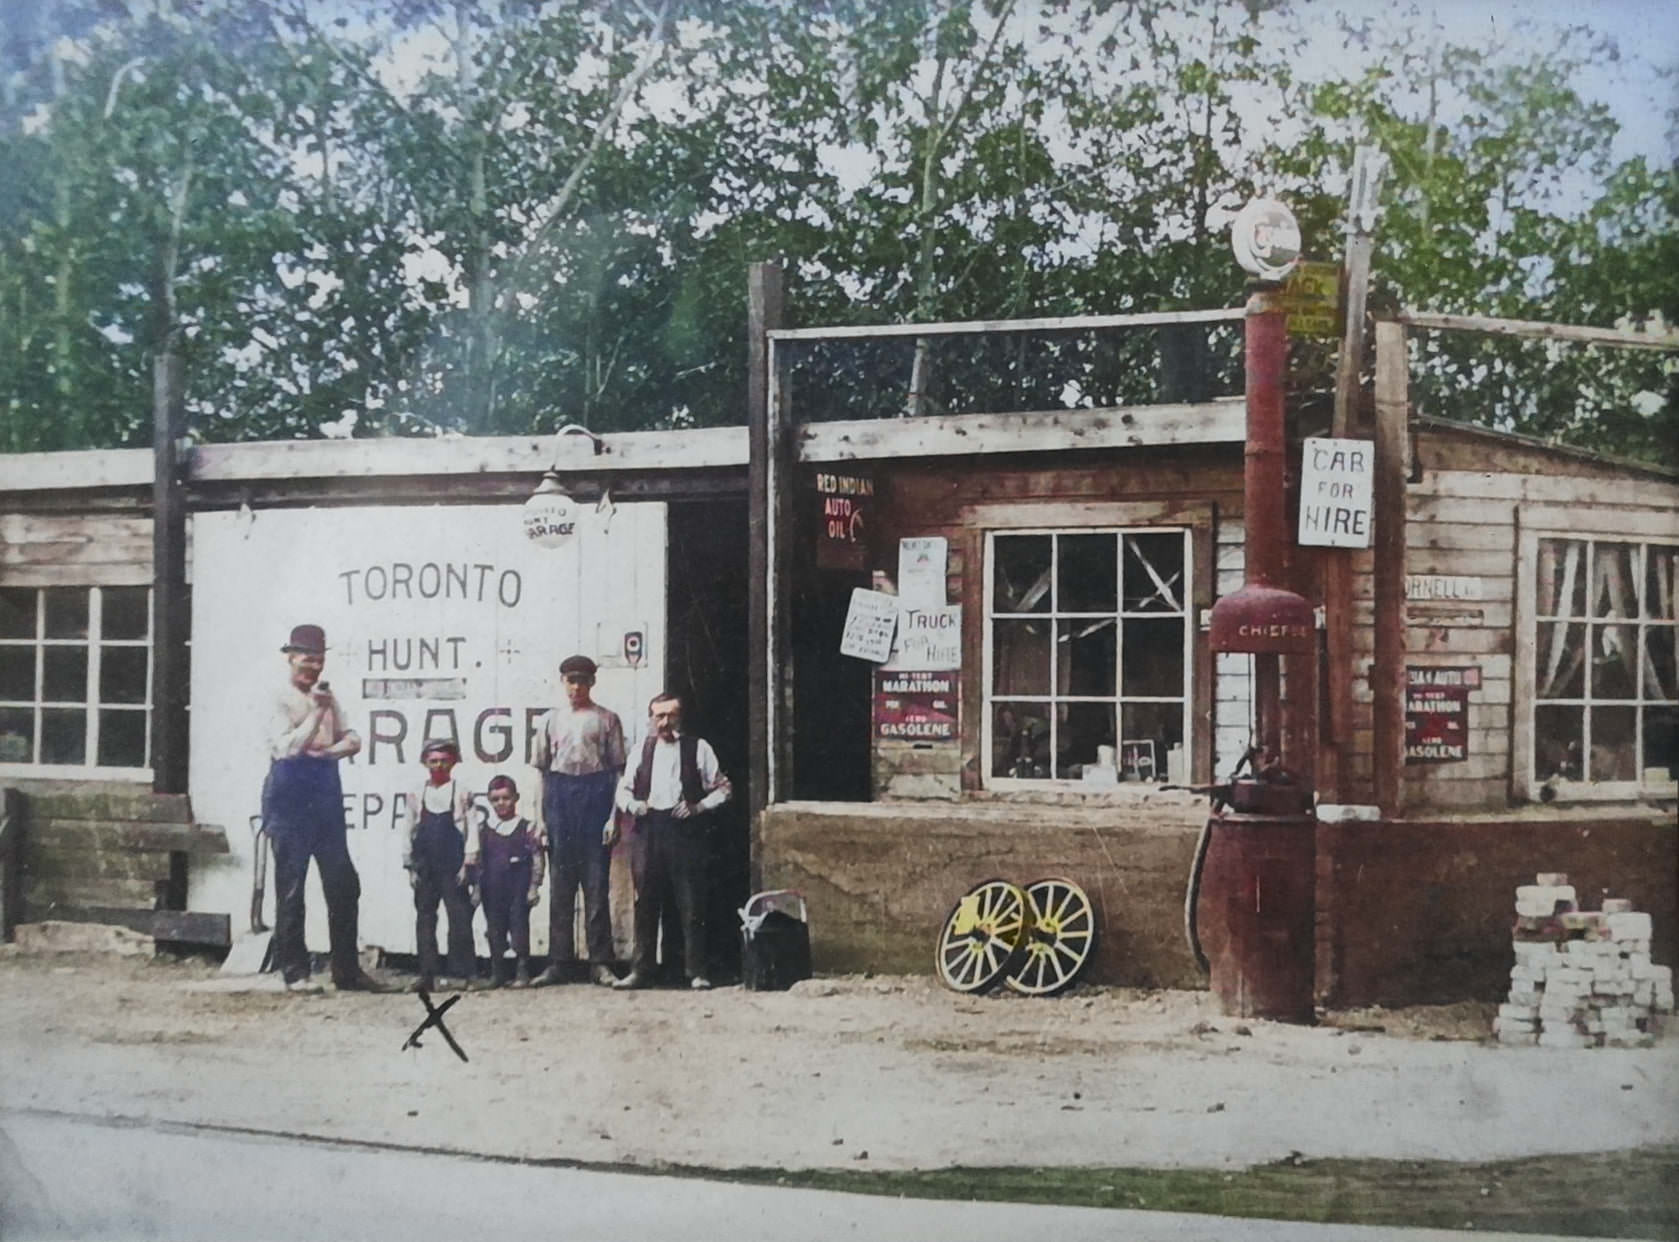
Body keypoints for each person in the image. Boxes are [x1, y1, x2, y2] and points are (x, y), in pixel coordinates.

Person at [262, 624, 385, 993]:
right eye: (306, 659)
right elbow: (286, 749)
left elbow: (353, 738)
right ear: (290, 657)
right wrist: (315, 715)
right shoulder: (278, 697)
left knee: (343, 882)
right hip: (289, 793)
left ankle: (346, 971)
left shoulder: (328, 697)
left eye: (319, 659)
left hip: (325, 788)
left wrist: (329, 751)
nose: (313, 667)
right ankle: (295, 972)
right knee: (291, 885)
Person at [613, 691, 732, 991]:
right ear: (651, 718)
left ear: (681, 717)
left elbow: (724, 789)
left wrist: (699, 807)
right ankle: (641, 970)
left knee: (691, 902)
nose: (665, 722)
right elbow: (622, 791)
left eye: (671, 715)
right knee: (646, 902)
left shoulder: (699, 748)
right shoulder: (642, 749)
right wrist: (634, 806)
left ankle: (696, 971)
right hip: (649, 829)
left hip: (684, 831)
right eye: (659, 716)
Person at [531, 655, 626, 987]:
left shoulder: (607, 719)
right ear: (563, 682)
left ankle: (600, 963)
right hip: (560, 798)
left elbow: (617, 774)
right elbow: (542, 773)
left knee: (596, 887)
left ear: (592, 683)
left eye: (583, 681)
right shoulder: (549, 720)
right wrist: (540, 820)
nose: (576, 687)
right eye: (571, 680)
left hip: (595, 797)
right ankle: (559, 962)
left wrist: (613, 817)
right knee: (561, 886)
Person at [404, 738, 477, 991]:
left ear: (454, 762)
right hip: (425, 864)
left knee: (459, 917)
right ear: (425, 762)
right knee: (425, 919)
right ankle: (427, 974)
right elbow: (408, 830)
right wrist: (411, 866)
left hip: (452, 863)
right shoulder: (416, 793)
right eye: (433, 761)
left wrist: (467, 864)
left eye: (444, 761)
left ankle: (462, 974)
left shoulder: (461, 791)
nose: (439, 766)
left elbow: (471, 829)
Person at [467, 774, 544, 988]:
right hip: (492, 887)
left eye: (506, 798)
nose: (501, 803)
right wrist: (476, 890)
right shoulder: (484, 830)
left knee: (519, 926)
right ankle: (497, 973)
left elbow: (538, 859)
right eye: (495, 799)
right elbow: (478, 863)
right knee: (494, 929)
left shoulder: (527, 827)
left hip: (518, 886)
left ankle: (522, 972)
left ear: (516, 798)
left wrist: (534, 887)